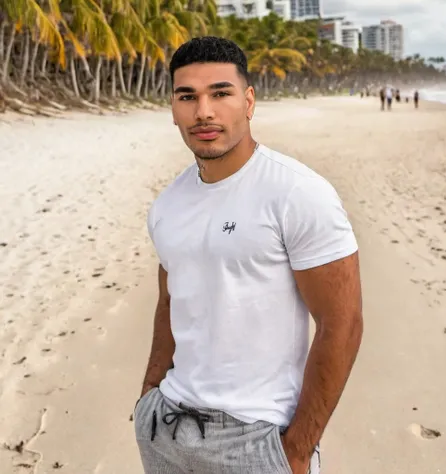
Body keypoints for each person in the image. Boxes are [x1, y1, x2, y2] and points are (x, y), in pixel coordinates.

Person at [135, 36, 363, 474]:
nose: (203, 111)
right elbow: (170, 301)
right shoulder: (167, 204)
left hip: (256, 437)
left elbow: (344, 323)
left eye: (220, 93)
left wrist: (297, 449)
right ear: (173, 108)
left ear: (249, 101)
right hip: (166, 425)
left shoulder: (296, 193)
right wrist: (149, 391)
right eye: (188, 97)